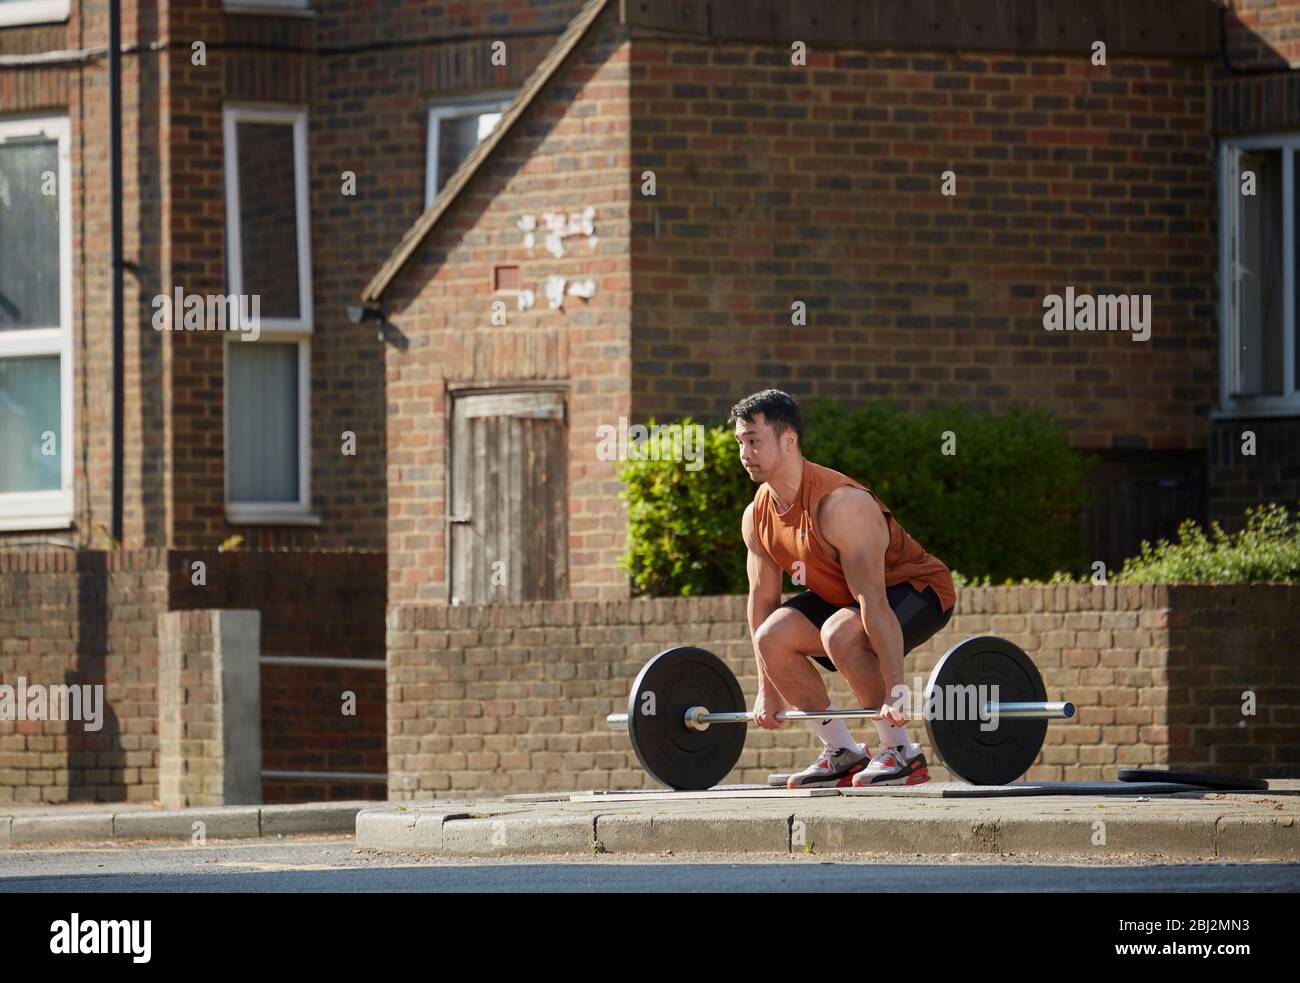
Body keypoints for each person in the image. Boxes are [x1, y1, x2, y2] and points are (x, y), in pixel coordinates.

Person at [731, 389, 956, 788]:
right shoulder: (757, 516)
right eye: (740, 442)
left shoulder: (840, 505)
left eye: (754, 441)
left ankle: (901, 751)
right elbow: (762, 602)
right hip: (843, 599)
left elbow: (874, 600)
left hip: (915, 590)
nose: (745, 453)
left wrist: (895, 691)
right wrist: (767, 690)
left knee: (840, 632)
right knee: (772, 637)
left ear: (789, 441)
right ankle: (842, 752)